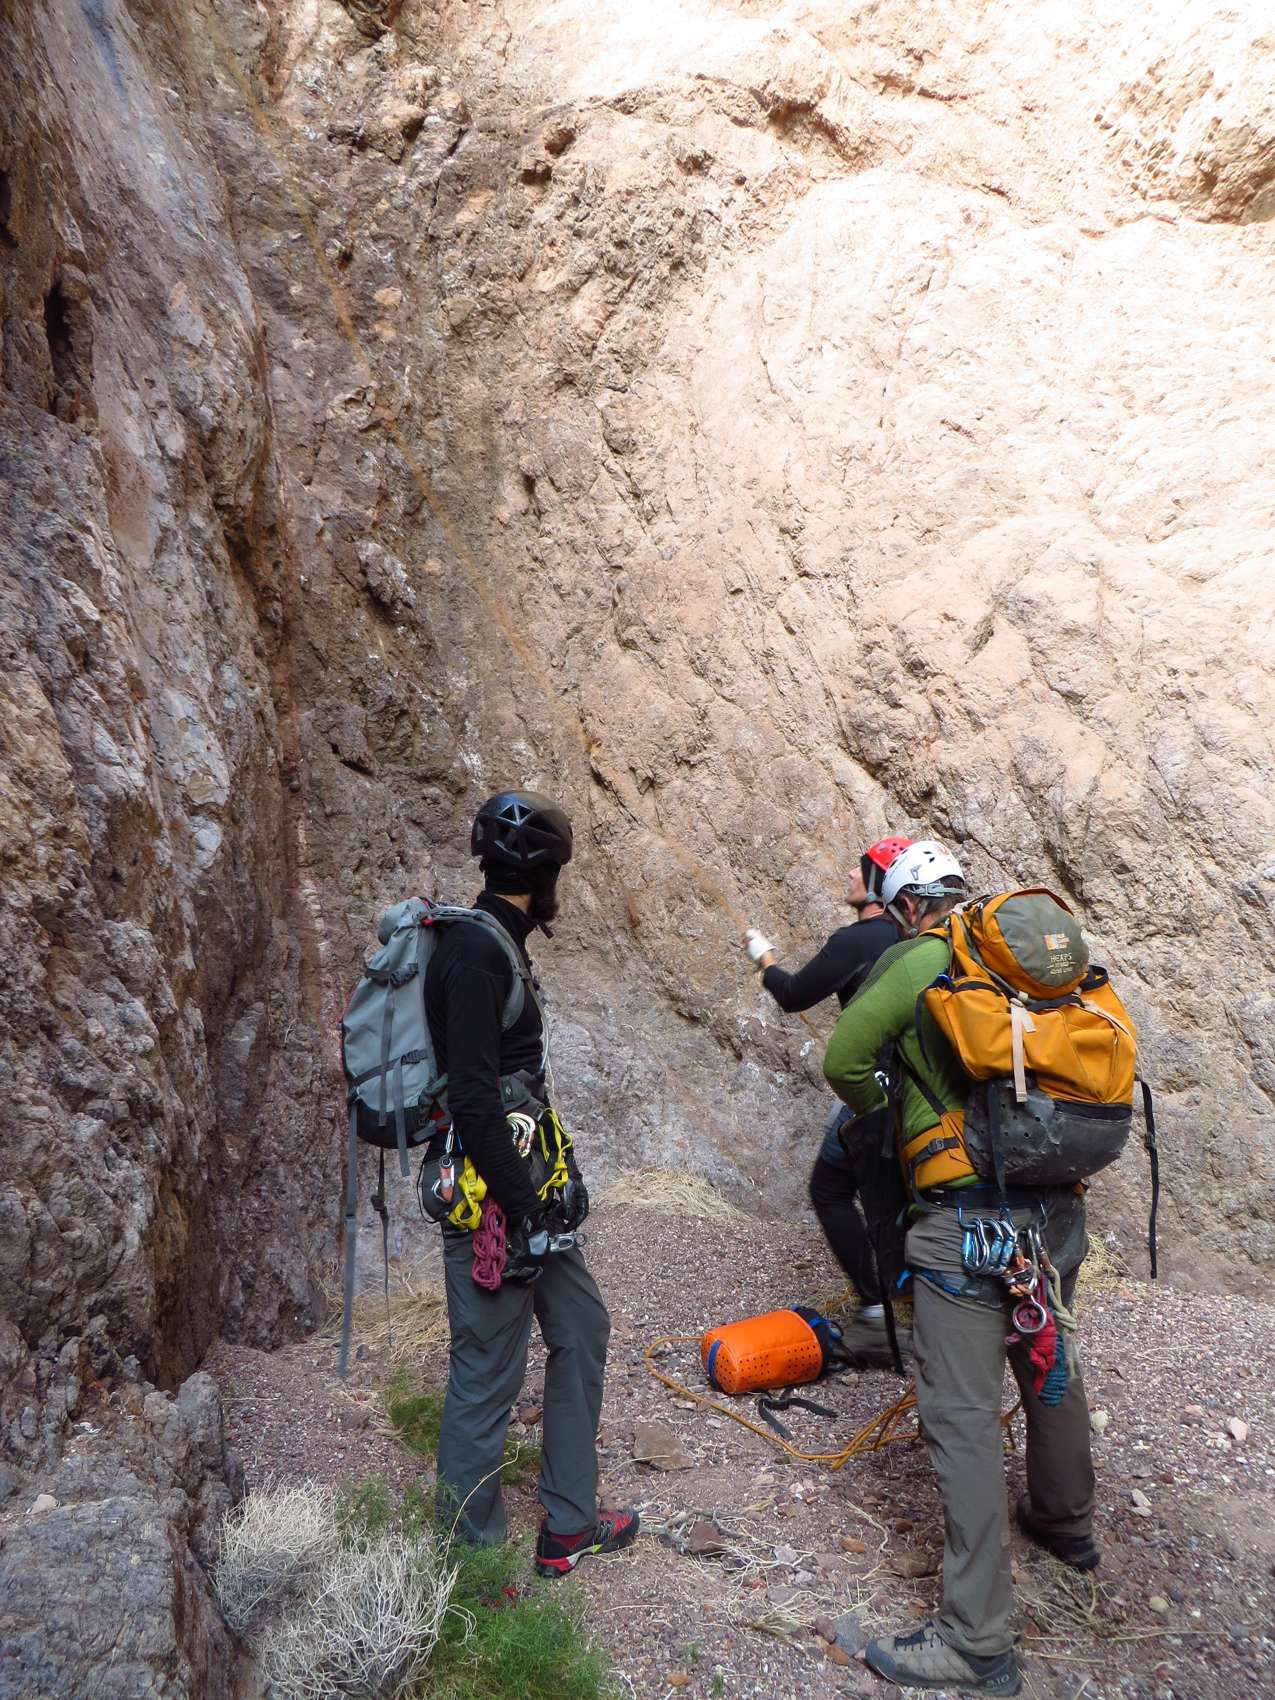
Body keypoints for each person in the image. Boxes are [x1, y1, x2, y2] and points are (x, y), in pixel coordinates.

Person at [824, 842, 1096, 1698]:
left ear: (907, 906)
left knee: (961, 1414)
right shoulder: (1036, 966)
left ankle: (976, 1640)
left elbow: (842, 1062)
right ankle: (1065, 1521)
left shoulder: (920, 962)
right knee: (1048, 1358)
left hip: (963, 1223)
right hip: (1054, 1213)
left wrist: (901, 1116)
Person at [425, 789, 638, 1576]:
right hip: (493, 1199)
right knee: (486, 1374)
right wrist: (525, 1210)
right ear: (545, 875)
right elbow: (475, 1101)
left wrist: (552, 1185)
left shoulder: (497, 945)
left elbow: (517, 1092)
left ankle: (568, 1524)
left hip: (524, 1189)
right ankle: (469, 1574)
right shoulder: (475, 954)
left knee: (581, 1326)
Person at [743, 836, 912, 1342]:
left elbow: (794, 994)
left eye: (861, 870)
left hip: (874, 1091)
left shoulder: (857, 941)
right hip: (919, 1093)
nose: (851, 875)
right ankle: (920, 1301)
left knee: (830, 1189)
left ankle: (877, 1312)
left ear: (880, 884)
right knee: (901, 1197)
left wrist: (765, 960)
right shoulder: (914, 942)